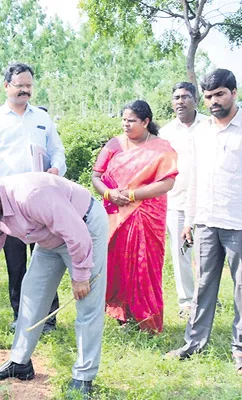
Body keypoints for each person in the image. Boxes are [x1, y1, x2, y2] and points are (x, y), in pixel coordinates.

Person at [0, 173, 108, 399]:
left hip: (85, 228)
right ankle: (20, 362)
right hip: (49, 238)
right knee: (31, 294)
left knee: (87, 305)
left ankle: (83, 376)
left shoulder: (31, 196)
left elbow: (76, 233)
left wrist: (80, 275)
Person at [165, 69, 242, 375]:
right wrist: (189, 220)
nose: (213, 101)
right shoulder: (202, 131)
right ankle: (193, 344)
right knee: (203, 286)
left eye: (219, 94)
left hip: (241, 224)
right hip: (205, 221)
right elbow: (196, 181)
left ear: (234, 92)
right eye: (208, 96)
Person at [0, 62, 67, 333]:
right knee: (16, 265)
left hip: (41, 205)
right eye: (20, 86)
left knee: (47, 260)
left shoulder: (42, 118)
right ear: (6, 87)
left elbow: (58, 151)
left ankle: (49, 318)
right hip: (8, 207)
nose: (25, 90)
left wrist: (56, 169)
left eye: (29, 86)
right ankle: (21, 316)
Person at [92, 99, 177, 334]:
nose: (125, 125)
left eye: (131, 121)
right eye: (123, 120)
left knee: (144, 268)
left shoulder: (161, 148)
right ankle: (124, 317)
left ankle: (148, 322)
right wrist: (109, 193)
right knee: (118, 265)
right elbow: (96, 176)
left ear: (146, 122)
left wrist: (132, 194)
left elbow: (167, 182)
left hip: (147, 215)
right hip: (117, 214)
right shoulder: (115, 145)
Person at [159, 82, 208, 319]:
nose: (180, 101)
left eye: (185, 97)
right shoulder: (166, 133)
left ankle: (207, 297)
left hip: (208, 201)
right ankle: (187, 301)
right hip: (177, 202)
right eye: (176, 97)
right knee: (181, 253)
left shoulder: (209, 126)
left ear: (195, 99)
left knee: (208, 253)